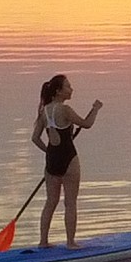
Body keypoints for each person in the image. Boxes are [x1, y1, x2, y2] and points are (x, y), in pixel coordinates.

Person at [33, 73, 103, 247]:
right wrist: (95, 109)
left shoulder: (44, 111)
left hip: (51, 162)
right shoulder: (65, 110)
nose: (71, 89)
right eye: (68, 86)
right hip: (69, 160)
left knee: (51, 202)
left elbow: (35, 138)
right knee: (70, 202)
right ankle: (71, 243)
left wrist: (48, 152)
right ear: (58, 91)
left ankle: (43, 242)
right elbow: (87, 124)